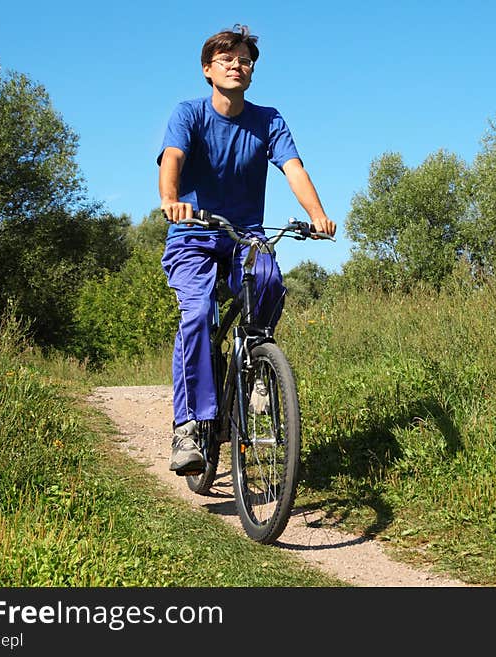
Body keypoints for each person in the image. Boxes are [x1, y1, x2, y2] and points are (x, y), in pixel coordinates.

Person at [157, 24, 336, 475]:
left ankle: (256, 367)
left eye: (245, 60)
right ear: (207, 70)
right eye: (227, 59)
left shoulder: (268, 119)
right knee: (196, 315)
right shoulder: (189, 114)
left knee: (270, 278)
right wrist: (171, 200)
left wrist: (317, 214)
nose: (237, 66)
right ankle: (190, 426)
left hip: (243, 234)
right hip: (193, 233)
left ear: (252, 72)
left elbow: (293, 168)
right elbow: (173, 158)